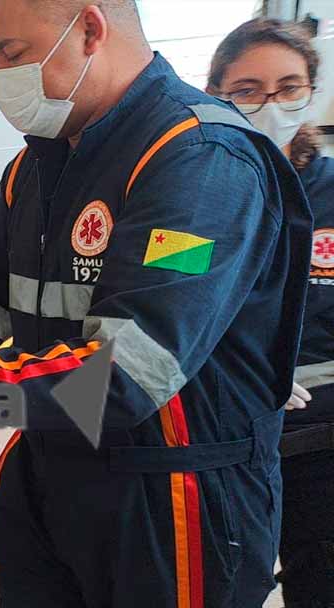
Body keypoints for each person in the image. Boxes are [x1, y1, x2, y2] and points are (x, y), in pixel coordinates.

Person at [0, 1, 313, 606]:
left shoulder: (201, 160)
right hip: (51, 476)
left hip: (170, 495)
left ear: (90, 30)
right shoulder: (38, 164)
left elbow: (119, 379)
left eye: (11, 54)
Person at [207, 19, 334, 607]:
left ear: (311, 91)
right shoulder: (196, 189)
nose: (271, 103)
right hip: (227, 429)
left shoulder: (330, 189)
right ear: (217, 95)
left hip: (321, 432)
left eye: (289, 87)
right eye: (248, 89)